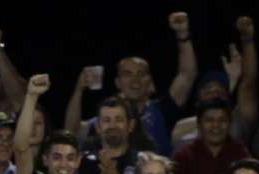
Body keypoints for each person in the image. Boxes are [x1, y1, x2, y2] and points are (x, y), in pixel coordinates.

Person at [64, 12, 197, 156]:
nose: (135, 79)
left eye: (141, 74)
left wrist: (182, 34)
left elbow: (187, 75)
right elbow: (71, 133)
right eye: (127, 74)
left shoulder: (163, 111)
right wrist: (79, 90)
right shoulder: (108, 118)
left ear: (151, 83)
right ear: (118, 83)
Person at [168, 16, 259, 152]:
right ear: (198, 99)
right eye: (208, 91)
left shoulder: (238, 121)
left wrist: (247, 39)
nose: (214, 93)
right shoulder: (181, 127)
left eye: (219, 92)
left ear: (228, 98)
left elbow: (249, 82)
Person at [173, 99, 252, 174]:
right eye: (209, 120)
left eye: (222, 120)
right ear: (199, 124)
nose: (216, 125)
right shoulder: (183, 156)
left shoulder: (241, 154)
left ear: (230, 124)